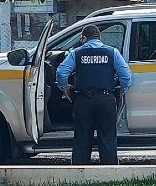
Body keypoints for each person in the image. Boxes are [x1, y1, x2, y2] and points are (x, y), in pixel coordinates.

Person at [56, 25, 132, 165]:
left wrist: (64, 88)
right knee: (107, 138)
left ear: (84, 38)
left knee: (82, 138)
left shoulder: (76, 53)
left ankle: (79, 172)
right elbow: (126, 75)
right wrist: (122, 91)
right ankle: (110, 173)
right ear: (100, 37)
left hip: (83, 100)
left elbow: (61, 72)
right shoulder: (112, 52)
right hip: (105, 99)